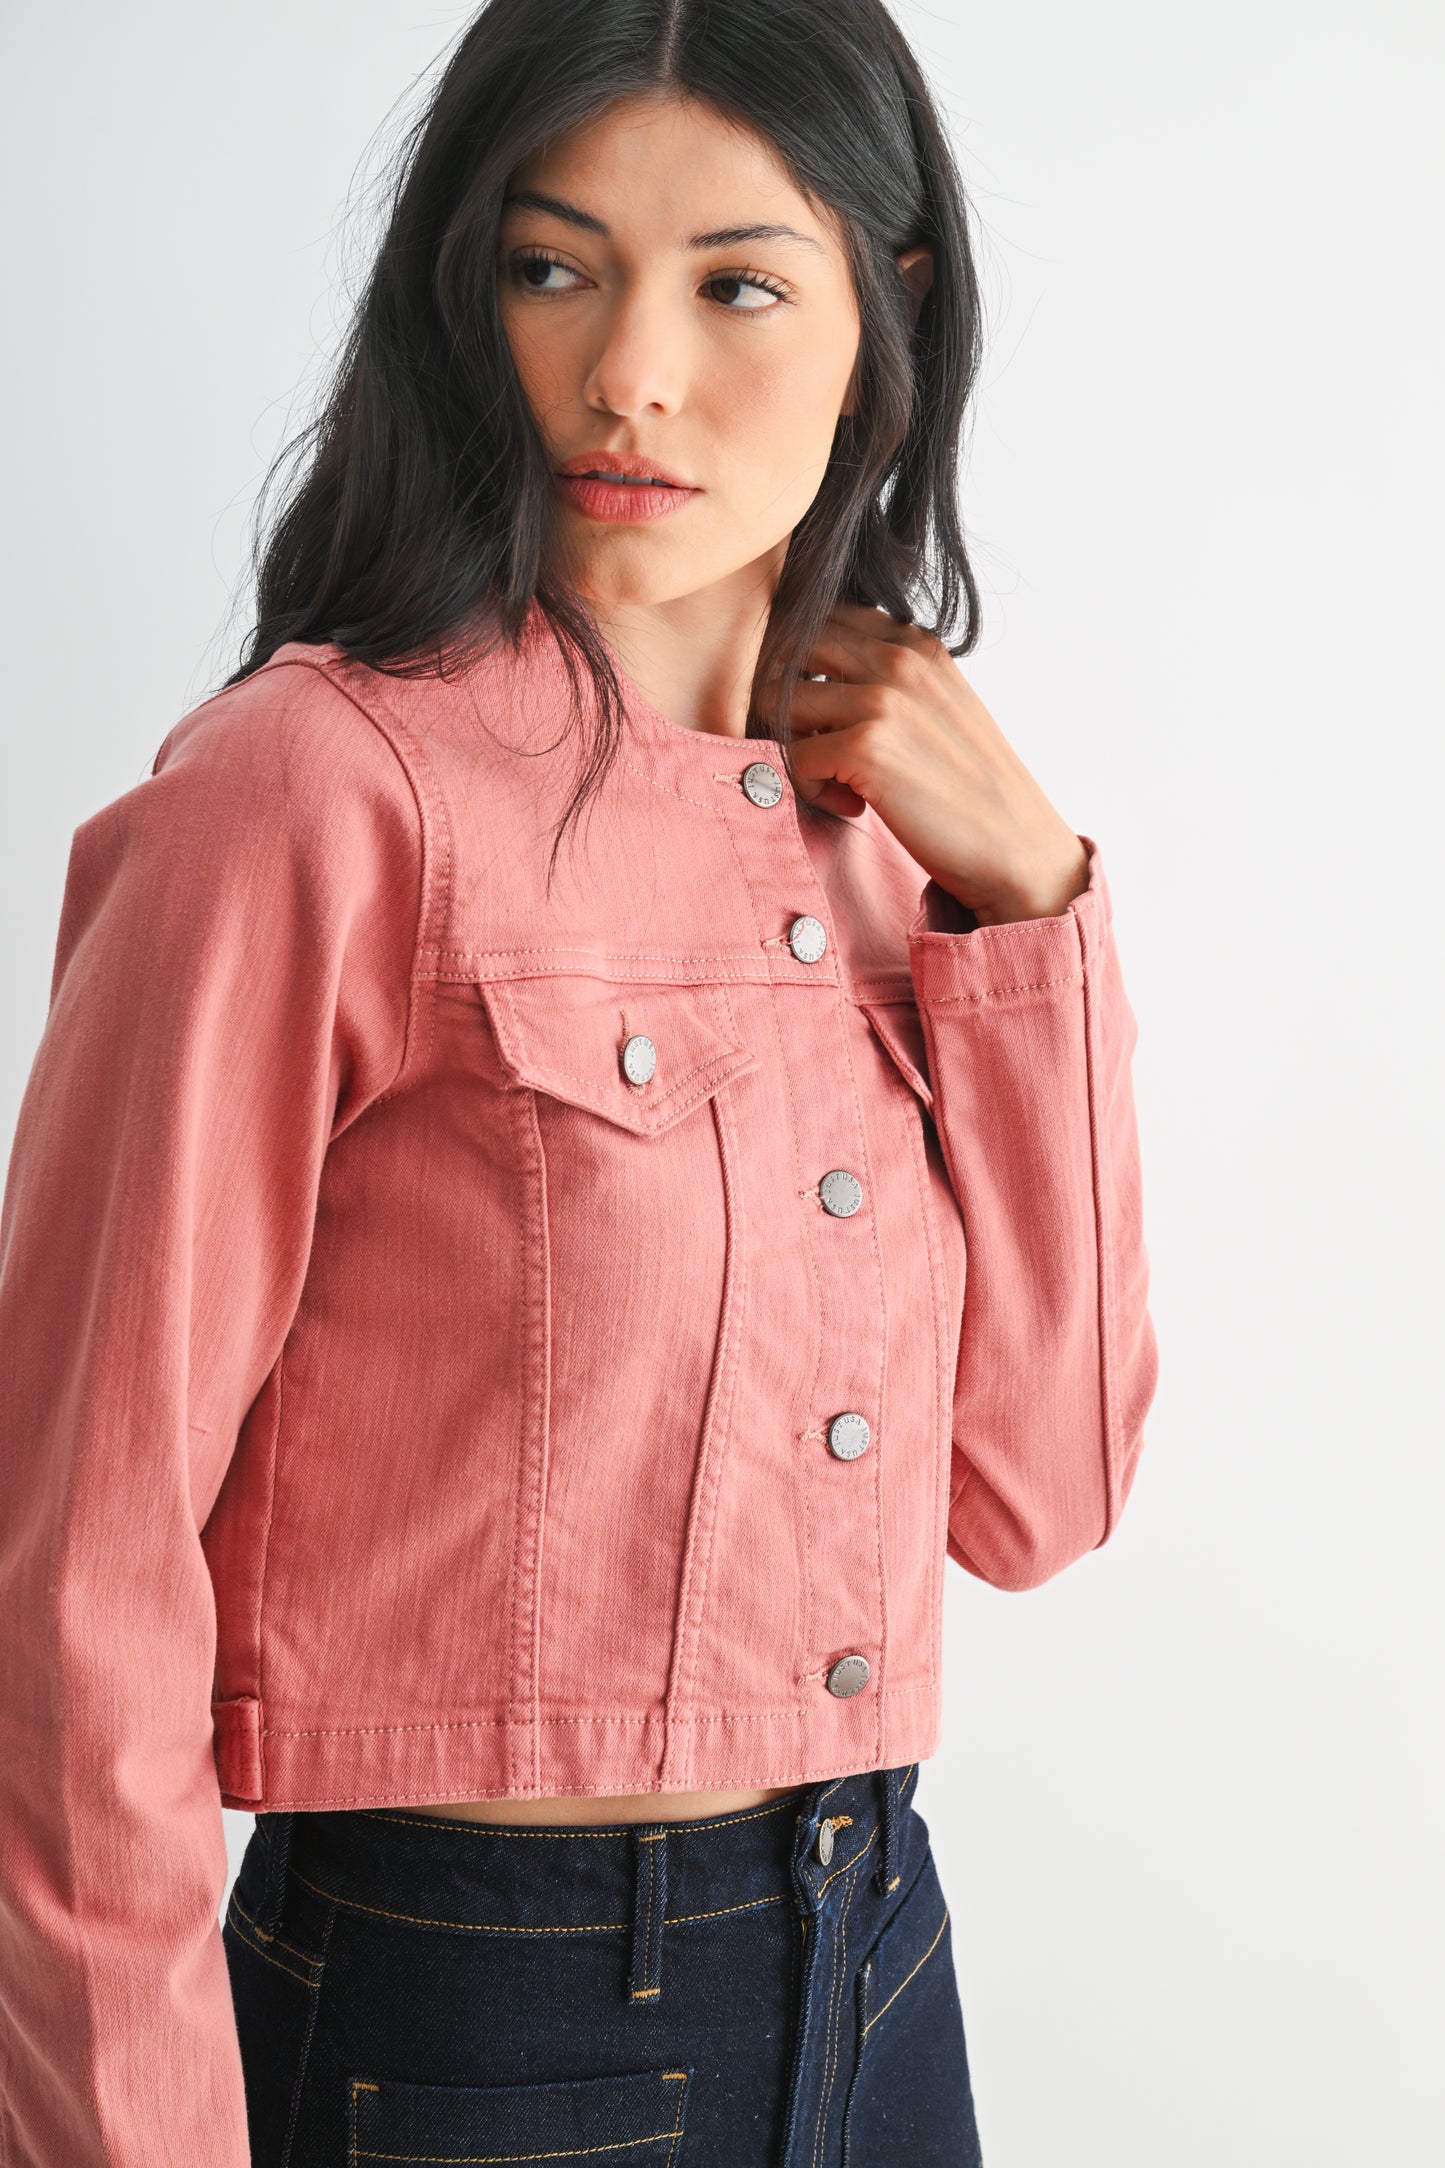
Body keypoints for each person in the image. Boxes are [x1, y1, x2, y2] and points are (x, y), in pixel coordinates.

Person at [0, 0, 1160, 2161]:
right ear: (467, 290)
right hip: (468, 2023)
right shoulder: (309, 797)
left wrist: (1028, 899)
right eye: (555, 266)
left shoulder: (894, 833)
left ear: (886, 301)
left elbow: (1040, 1491)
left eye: (735, 281)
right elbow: (73, 1574)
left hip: (884, 1960)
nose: (629, 370)